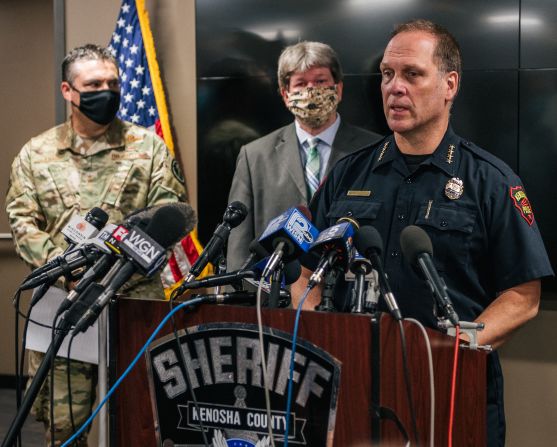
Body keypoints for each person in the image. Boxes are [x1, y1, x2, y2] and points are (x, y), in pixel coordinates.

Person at [293, 20, 554, 446]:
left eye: (412, 74)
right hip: (355, 386)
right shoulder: (349, 172)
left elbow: (523, 296)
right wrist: (320, 333)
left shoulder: (490, 181)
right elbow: (306, 266)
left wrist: (452, 348)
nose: (395, 87)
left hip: (450, 390)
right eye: (387, 74)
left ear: (449, 85)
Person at [5, 44, 187, 446]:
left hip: (133, 306)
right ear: (68, 91)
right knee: (65, 427)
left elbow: (167, 216)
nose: (106, 90)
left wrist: (110, 272)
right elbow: (22, 222)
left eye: (113, 83)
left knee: (140, 420)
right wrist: (66, 268)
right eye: (93, 84)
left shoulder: (149, 148)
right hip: (64, 308)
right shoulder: (36, 154)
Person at [226, 41, 382, 270]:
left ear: (338, 89)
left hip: (346, 290)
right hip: (274, 291)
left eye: (320, 81)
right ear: (285, 94)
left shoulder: (373, 149)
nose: (311, 90)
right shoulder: (254, 155)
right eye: (300, 83)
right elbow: (239, 240)